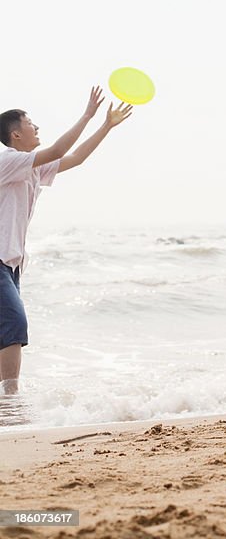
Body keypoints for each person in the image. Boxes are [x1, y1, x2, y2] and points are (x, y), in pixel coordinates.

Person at [0, 87, 133, 395]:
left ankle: (7, 398)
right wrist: (88, 114)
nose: (37, 128)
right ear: (16, 134)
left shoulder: (30, 166)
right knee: (15, 328)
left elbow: (75, 158)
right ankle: (10, 400)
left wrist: (106, 126)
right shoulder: (9, 160)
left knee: (8, 330)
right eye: (31, 123)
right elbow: (59, 149)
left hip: (12, 264)